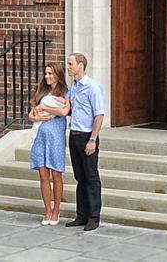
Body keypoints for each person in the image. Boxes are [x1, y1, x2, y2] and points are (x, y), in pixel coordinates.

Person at [64, 53, 105, 232]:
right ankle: (81, 215)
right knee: (80, 177)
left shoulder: (92, 87)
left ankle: (93, 217)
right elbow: (69, 108)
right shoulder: (73, 87)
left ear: (81, 65)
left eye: (71, 63)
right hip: (74, 135)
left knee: (91, 178)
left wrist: (92, 139)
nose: (68, 66)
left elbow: (99, 114)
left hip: (87, 136)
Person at [28, 63, 70, 226]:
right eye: (46, 73)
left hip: (55, 137)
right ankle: (47, 210)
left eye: (50, 74)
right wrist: (35, 117)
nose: (47, 76)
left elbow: (63, 112)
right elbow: (31, 114)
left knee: (56, 174)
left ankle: (56, 210)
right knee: (43, 175)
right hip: (40, 136)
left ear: (58, 75)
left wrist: (45, 107)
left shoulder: (65, 93)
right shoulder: (41, 92)